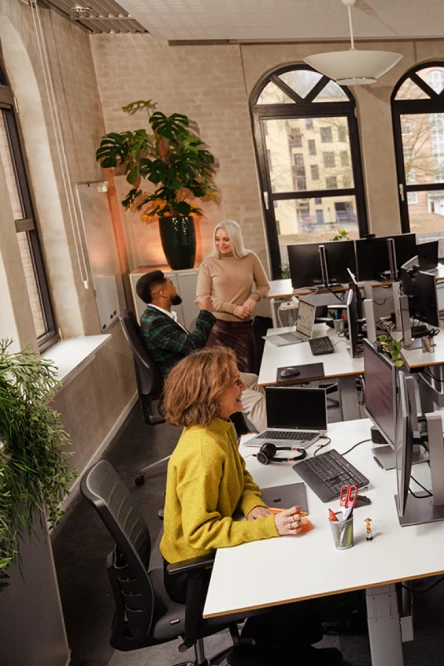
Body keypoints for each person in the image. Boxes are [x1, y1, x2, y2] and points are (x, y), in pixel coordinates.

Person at [159, 348, 341, 665]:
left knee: (294, 555)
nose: (243, 387)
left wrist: (253, 504)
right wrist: (268, 526)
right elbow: (199, 534)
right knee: (296, 569)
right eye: (233, 383)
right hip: (196, 571)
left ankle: (282, 647)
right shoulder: (202, 452)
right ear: (210, 394)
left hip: (212, 549)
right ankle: (265, 654)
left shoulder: (222, 425)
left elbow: (242, 476)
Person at [136, 269, 267, 428]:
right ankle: (267, 444)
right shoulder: (156, 323)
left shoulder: (156, 317)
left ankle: (243, 430)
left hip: (192, 375)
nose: (174, 286)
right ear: (163, 293)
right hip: (189, 386)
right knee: (257, 400)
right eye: (171, 283)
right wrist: (205, 311)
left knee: (252, 380)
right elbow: (193, 345)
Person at [198, 220, 271, 373]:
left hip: (243, 327)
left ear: (236, 239)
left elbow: (264, 286)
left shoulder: (250, 258)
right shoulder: (208, 263)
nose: (221, 243)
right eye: (217, 239)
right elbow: (202, 297)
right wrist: (233, 309)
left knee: (249, 376)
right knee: (219, 379)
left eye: (226, 239)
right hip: (217, 327)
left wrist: (253, 297)